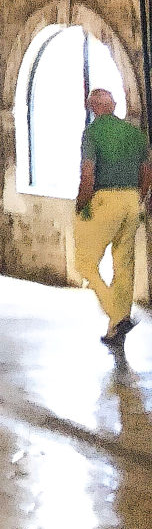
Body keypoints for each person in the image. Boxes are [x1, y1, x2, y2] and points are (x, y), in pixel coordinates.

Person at [75, 87, 152, 348]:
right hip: (132, 200)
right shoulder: (135, 133)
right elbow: (147, 172)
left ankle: (117, 316)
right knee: (124, 263)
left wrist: (81, 203)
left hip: (104, 200)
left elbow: (88, 174)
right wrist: (138, 199)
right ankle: (115, 329)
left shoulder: (93, 133)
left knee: (85, 263)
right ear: (114, 105)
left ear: (91, 107)